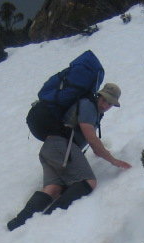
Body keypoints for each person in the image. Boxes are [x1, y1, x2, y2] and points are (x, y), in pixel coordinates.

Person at [7, 83, 132, 231]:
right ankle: (48, 221)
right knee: (88, 182)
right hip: (62, 146)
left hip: (50, 148)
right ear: (98, 95)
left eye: (110, 103)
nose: (105, 105)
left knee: (53, 189)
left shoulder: (90, 108)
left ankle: (16, 224)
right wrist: (114, 161)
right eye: (104, 100)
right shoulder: (88, 106)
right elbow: (92, 140)